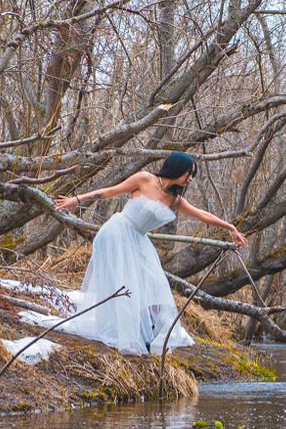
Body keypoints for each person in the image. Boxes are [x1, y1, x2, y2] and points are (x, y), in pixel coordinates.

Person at [53, 152, 247, 356]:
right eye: (188, 174)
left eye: (192, 176)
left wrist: (230, 227)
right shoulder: (145, 179)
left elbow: (202, 215)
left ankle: (144, 331)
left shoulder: (175, 199)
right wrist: (77, 199)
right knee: (124, 283)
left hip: (139, 240)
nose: (190, 179)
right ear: (177, 168)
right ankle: (124, 332)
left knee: (154, 284)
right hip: (117, 233)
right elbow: (110, 191)